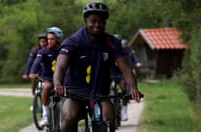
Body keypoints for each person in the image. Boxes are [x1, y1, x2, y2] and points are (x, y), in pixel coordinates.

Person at [53, 2, 141, 132]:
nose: (97, 25)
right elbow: (60, 67)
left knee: (109, 120)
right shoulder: (72, 42)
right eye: (93, 21)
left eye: (101, 21)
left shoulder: (111, 42)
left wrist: (133, 88)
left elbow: (126, 68)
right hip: (74, 91)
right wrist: (58, 83)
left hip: (101, 92)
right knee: (71, 116)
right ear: (85, 21)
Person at [29, 26, 64, 126]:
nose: (49, 41)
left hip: (61, 79)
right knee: (47, 87)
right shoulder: (43, 51)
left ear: (58, 39)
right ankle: (46, 116)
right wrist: (32, 72)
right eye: (48, 39)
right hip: (47, 78)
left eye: (52, 39)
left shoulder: (63, 50)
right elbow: (36, 63)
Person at [111, 37, 141, 121]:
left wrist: (137, 62)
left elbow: (134, 56)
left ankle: (124, 106)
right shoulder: (109, 50)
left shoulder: (128, 49)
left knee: (124, 86)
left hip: (125, 71)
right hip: (113, 73)